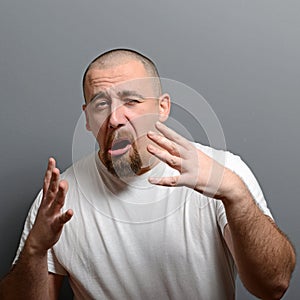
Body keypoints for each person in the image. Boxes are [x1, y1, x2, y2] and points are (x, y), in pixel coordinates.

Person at [0, 49, 296, 300]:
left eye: (131, 101)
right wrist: (35, 250)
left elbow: (273, 286)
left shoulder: (224, 171)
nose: (115, 118)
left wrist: (236, 195)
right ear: (88, 119)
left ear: (162, 107)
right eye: (101, 104)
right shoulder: (58, 199)